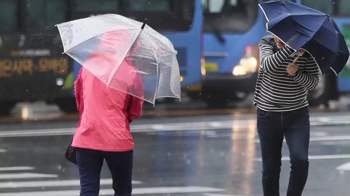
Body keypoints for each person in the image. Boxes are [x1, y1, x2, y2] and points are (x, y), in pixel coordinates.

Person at [72, 32, 144, 196]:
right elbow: (134, 110)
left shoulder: (88, 66)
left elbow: (81, 103)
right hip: (117, 140)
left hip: (86, 136)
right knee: (122, 188)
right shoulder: (132, 72)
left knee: (88, 190)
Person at [254, 34, 320, 196]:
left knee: (300, 161)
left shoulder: (308, 50)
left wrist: (296, 74)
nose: (278, 39)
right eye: (277, 34)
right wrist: (292, 47)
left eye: (283, 37)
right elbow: (267, 65)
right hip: (268, 115)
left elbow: (314, 82)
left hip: (297, 115)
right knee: (270, 168)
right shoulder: (266, 42)